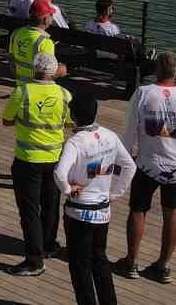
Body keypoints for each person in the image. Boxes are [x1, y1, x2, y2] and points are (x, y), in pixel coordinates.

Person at [116, 50, 176, 285]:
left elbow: (130, 128)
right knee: (172, 211)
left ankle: (131, 262)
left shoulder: (143, 94)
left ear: (157, 69)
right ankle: (163, 265)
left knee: (138, 210)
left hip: (147, 163)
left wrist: (125, 156)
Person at [54, 90, 135, 305]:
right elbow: (129, 166)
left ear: (74, 116)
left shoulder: (76, 142)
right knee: (99, 260)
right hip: (102, 212)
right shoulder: (110, 136)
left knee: (80, 266)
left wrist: (68, 189)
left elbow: (59, 173)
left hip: (78, 212)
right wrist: (114, 194)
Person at [2, 51, 72, 277]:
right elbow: (71, 122)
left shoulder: (22, 92)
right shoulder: (64, 94)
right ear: (53, 72)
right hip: (55, 158)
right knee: (51, 204)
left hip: (28, 159)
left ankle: (34, 260)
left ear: (34, 69)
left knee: (30, 210)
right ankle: (49, 244)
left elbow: (6, 120)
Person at [10, 0, 68, 85]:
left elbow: (12, 63)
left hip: (20, 83)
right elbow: (46, 76)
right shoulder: (45, 42)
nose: (52, 17)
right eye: (51, 15)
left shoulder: (16, 33)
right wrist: (60, 71)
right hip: (37, 87)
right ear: (45, 19)